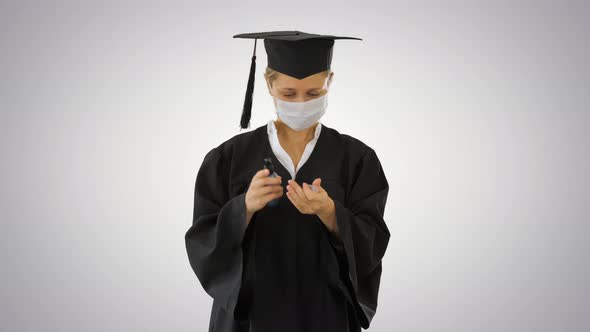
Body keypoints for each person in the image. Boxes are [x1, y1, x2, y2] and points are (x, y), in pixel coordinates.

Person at [185, 30, 390, 332]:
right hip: (251, 318)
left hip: (326, 314)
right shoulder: (227, 158)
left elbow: (373, 244)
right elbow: (201, 241)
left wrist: (331, 214)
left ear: (329, 83)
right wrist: (243, 208)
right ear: (269, 84)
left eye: (313, 93)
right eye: (289, 94)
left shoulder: (357, 159)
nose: (301, 103)